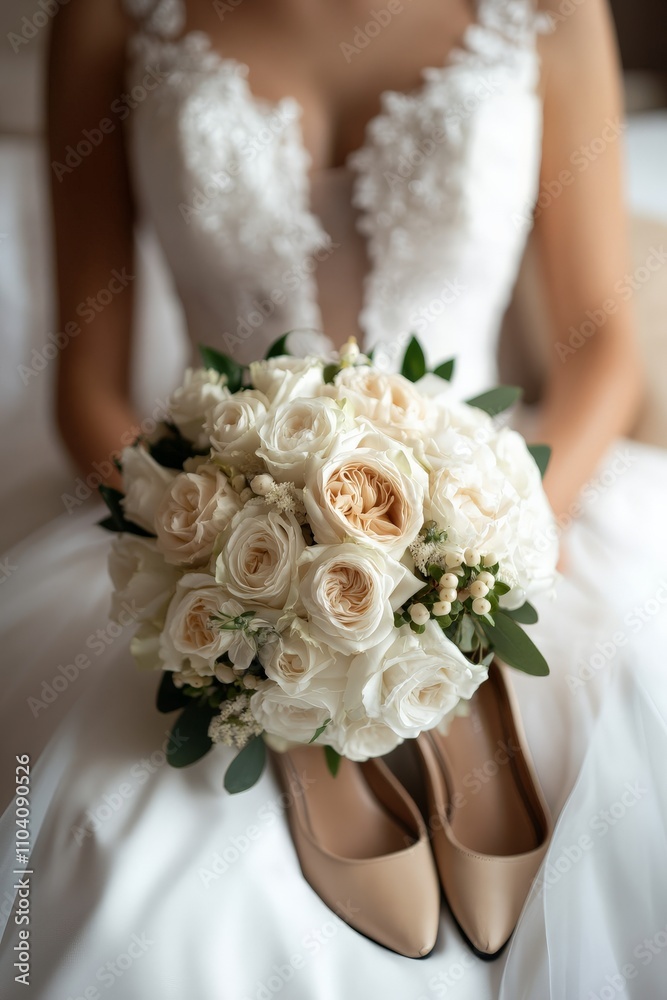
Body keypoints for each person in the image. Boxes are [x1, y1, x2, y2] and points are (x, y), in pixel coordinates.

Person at [1, 0, 666, 996]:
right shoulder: (108, 15)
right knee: (144, 866)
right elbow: (84, 386)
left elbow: (603, 353)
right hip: (209, 501)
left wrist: (491, 542)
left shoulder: (550, 10)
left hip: (508, 488)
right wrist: (214, 550)